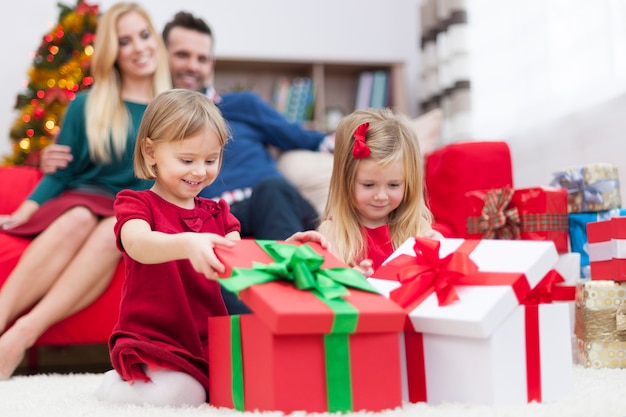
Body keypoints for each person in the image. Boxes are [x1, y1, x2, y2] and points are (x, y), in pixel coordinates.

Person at [95, 89, 324, 406]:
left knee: (256, 382)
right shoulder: (137, 204)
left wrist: (288, 250)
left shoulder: (219, 214)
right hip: (156, 337)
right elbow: (138, 245)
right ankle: (115, 384)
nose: (200, 171)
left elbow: (244, 262)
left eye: (211, 160)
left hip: (209, 340)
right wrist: (187, 243)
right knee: (184, 395)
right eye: (187, 160)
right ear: (150, 153)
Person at [43, 11, 335, 240]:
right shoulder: (151, 119)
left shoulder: (242, 105)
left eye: (202, 59)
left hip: (271, 205)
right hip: (208, 219)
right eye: (182, 55)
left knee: (272, 189)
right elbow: (111, 165)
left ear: (211, 64)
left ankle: (291, 300)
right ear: (160, 54)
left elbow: (308, 139)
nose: (193, 66)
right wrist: (54, 161)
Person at [0, 2, 171, 380]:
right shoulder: (85, 105)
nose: (139, 47)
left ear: (156, 41)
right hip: (80, 200)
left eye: (144, 35)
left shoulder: (171, 110)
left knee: (117, 228)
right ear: (113, 52)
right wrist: (26, 211)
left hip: (133, 210)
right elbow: (61, 173)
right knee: (77, 217)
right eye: (125, 41)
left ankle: (18, 338)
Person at [318, 108, 442, 277]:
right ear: (345, 181)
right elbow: (326, 291)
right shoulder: (332, 233)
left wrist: (440, 253)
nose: (381, 196)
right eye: (369, 185)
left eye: (393, 185)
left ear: (409, 183)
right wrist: (351, 279)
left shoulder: (418, 227)